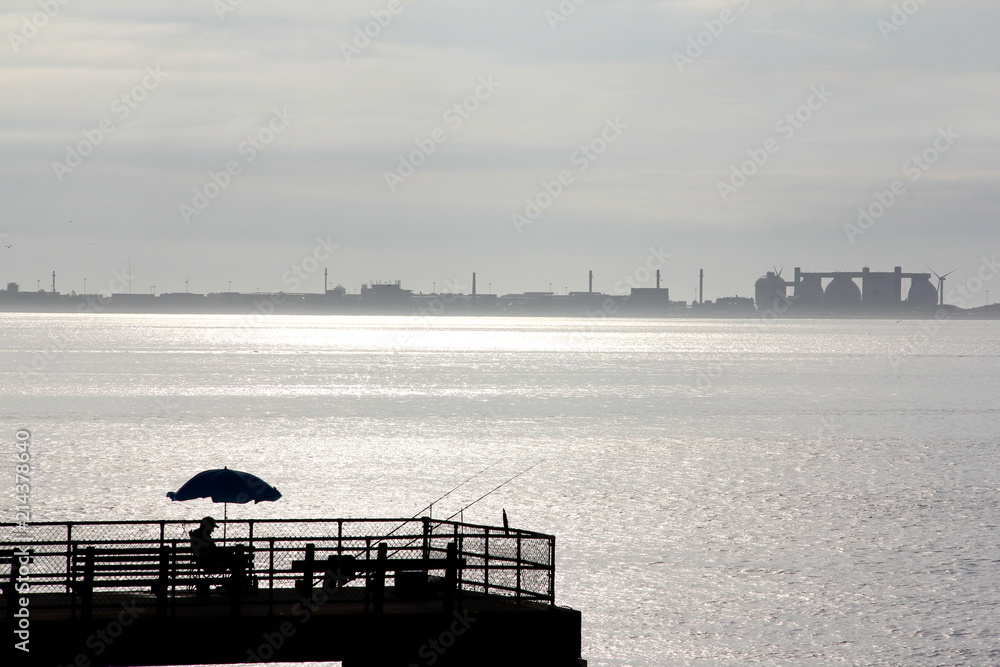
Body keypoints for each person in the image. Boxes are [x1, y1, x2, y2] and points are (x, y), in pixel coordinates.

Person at [189, 517, 248, 593]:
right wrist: (227, 552)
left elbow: (211, 551)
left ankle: (238, 584)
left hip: (206, 562)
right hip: (211, 564)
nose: (212, 530)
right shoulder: (204, 537)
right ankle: (241, 585)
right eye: (212, 528)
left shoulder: (198, 536)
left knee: (235, 561)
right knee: (236, 561)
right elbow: (212, 552)